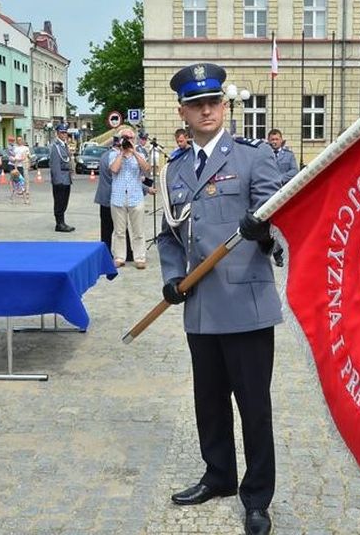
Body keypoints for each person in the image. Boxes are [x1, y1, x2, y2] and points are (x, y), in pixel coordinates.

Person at [158, 62, 282, 535]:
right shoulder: (175, 168)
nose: (206, 110)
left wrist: (265, 229)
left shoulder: (253, 158)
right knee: (208, 401)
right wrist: (173, 279)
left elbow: (284, 222)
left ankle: (257, 497)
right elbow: (170, 234)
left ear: (224, 106)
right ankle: (219, 475)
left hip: (247, 307)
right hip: (201, 306)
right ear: (183, 112)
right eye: (196, 104)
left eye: (213, 102)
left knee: (254, 406)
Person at [109, 126, 151, 268]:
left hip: (135, 196)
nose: (128, 140)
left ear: (135, 140)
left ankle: (140, 258)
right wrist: (122, 152)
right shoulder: (113, 154)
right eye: (125, 138)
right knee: (119, 231)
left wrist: (134, 152)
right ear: (121, 139)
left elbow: (146, 169)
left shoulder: (140, 154)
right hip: (118, 197)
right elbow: (114, 169)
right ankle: (120, 257)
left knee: (138, 230)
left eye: (130, 138)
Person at [267, 128, 298, 267]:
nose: (274, 142)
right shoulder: (264, 155)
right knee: (269, 224)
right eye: (272, 139)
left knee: (280, 224)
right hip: (267, 194)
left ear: (281, 140)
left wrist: (280, 178)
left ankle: (278, 253)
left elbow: (294, 171)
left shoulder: (288, 155)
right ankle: (271, 249)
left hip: (283, 194)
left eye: (276, 139)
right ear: (268, 141)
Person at [50, 124, 75, 232]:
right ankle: (59, 224)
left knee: (64, 201)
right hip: (60, 179)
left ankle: (62, 222)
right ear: (57, 133)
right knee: (59, 202)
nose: (64, 135)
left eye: (65, 132)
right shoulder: (55, 147)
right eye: (62, 132)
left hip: (66, 179)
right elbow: (55, 165)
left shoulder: (64, 145)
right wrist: (58, 180)